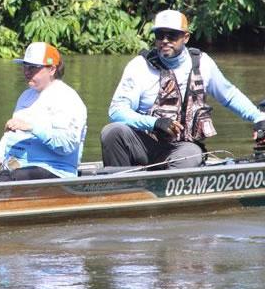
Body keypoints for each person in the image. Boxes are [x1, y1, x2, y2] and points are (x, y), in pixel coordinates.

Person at [101, 9, 265, 170]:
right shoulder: (138, 66)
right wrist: (154, 123)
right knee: (112, 132)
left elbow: (229, 96)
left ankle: (166, 191)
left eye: (172, 35)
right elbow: (117, 111)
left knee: (191, 154)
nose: (165, 41)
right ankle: (121, 187)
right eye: (159, 35)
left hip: (183, 149)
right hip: (145, 145)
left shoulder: (203, 63)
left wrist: (258, 117)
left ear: (185, 37)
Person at [0, 42, 87, 185]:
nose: (26, 71)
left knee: (5, 181)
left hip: (52, 170)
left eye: (33, 68)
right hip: (14, 167)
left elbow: (67, 145)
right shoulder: (26, 96)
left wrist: (32, 127)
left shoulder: (68, 99)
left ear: (52, 69)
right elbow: (9, 134)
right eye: (25, 66)